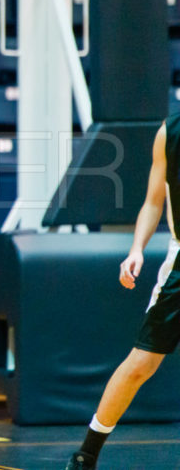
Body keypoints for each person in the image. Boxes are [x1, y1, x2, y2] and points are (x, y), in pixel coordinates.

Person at [66, 118, 177, 469]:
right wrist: (136, 249)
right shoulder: (169, 132)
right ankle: (86, 454)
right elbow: (153, 201)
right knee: (141, 364)